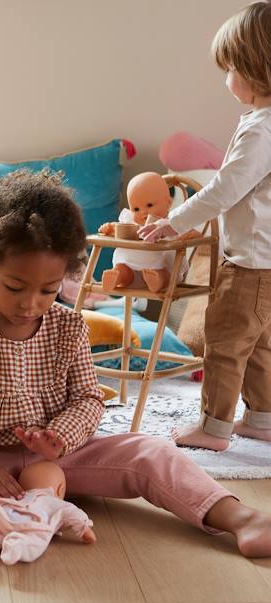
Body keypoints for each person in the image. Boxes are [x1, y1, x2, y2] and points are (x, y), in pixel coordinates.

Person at [0, 168, 271, 595]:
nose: (30, 304)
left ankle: (236, 517)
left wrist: (61, 437)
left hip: (62, 457)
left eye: (48, 290)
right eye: (14, 287)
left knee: (149, 451)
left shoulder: (70, 327)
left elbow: (88, 399)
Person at [139, 1, 271, 451]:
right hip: (266, 263)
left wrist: (174, 222)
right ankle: (262, 418)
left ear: (255, 68)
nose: (226, 77)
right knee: (259, 346)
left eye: (230, 66)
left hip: (249, 265)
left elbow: (223, 189)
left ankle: (214, 427)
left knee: (225, 342)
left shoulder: (260, 130)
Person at [0, 460, 95, 565]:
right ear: (60, 489)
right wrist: (85, 530)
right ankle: (18, 546)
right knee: (36, 540)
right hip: (30, 526)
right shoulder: (54, 502)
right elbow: (73, 514)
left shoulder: (10, 493)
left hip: (0, 516)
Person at [99, 172, 189, 293]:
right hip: (131, 267)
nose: (143, 212)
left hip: (159, 267)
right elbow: (121, 229)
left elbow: (190, 233)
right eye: (136, 209)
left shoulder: (171, 223)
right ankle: (117, 277)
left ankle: (157, 281)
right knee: (122, 269)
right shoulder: (131, 222)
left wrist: (187, 236)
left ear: (168, 203)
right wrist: (110, 228)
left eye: (149, 205)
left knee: (166, 276)